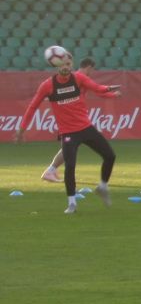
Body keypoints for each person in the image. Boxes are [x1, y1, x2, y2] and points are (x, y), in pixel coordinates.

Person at [15, 49, 121, 214]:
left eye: (69, 63)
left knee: (110, 156)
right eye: (63, 63)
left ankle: (102, 186)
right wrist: (21, 130)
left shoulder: (79, 78)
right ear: (56, 65)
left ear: (71, 65)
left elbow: (96, 88)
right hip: (68, 133)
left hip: (86, 128)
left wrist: (108, 89)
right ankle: (72, 203)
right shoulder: (48, 85)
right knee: (70, 166)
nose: (66, 66)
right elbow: (33, 107)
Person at [41, 56, 95, 182]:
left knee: (71, 146)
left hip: (72, 118)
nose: (92, 73)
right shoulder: (77, 78)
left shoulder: (75, 78)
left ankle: (52, 171)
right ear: (89, 68)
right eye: (92, 70)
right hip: (69, 120)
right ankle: (50, 171)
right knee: (70, 146)